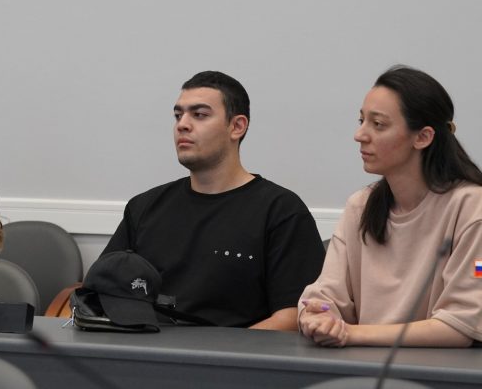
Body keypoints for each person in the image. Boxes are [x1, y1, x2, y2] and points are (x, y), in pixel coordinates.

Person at [299, 66, 482, 347]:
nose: (360, 135)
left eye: (378, 124)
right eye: (361, 120)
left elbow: (461, 327)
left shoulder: (471, 205)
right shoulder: (360, 206)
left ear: (422, 137)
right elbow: (324, 296)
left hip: (453, 369)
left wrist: (350, 333)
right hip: (367, 364)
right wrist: (318, 316)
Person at [102, 70, 325, 330]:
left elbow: (292, 316)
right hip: (145, 348)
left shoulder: (281, 211)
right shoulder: (144, 207)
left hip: (236, 353)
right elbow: (102, 292)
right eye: (178, 115)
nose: (182, 125)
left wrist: (224, 352)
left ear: (237, 127)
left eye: (199, 115)